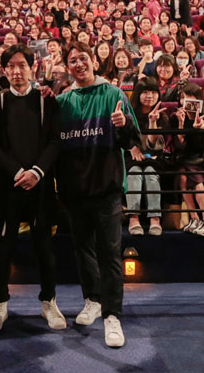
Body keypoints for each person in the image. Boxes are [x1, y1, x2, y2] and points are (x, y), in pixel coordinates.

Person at [56, 41, 140, 348]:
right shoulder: (62, 101)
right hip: (75, 191)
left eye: (83, 58)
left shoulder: (114, 94)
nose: (78, 64)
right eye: (72, 61)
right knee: (83, 250)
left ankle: (112, 315)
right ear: (67, 67)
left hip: (107, 189)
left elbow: (133, 140)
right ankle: (92, 299)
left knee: (109, 254)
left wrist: (123, 124)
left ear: (93, 60)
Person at [0, 44, 64, 333]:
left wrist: (37, 172)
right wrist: (18, 172)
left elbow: (55, 141)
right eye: (11, 66)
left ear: (32, 68)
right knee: (3, 247)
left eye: (22, 65)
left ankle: (49, 302)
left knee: (44, 247)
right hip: (9, 185)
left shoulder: (46, 100)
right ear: (4, 70)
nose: (17, 71)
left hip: (40, 185)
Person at [171, 81, 204, 237]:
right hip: (185, 158)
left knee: (193, 176)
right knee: (183, 176)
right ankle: (195, 218)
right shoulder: (175, 117)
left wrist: (200, 125)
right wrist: (181, 124)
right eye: (183, 98)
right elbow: (180, 146)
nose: (186, 101)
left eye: (191, 97)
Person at [126, 77, 166, 236]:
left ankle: (155, 219)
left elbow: (152, 144)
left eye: (153, 92)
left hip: (154, 158)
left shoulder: (162, 115)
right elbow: (123, 138)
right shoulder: (129, 115)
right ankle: (133, 218)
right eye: (145, 92)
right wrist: (132, 148)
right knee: (134, 173)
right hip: (132, 158)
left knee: (150, 173)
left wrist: (152, 122)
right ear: (138, 94)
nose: (150, 96)